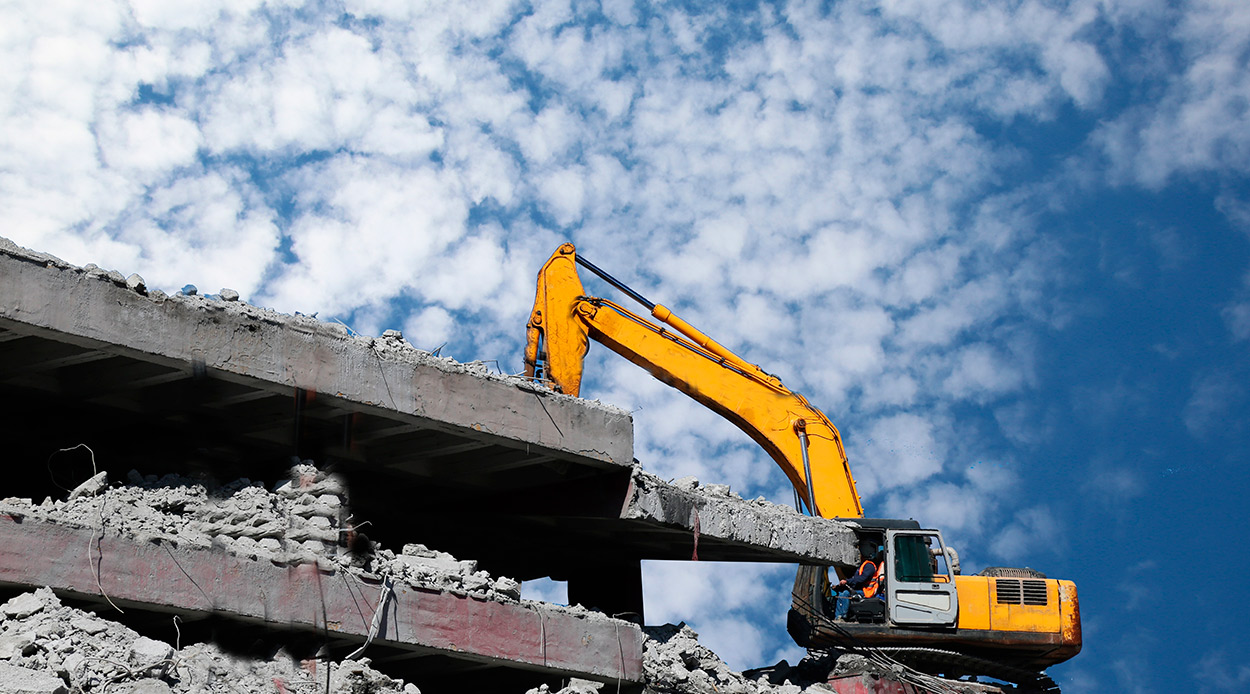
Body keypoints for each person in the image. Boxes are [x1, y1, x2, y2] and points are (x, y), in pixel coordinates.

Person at [833, 538, 882, 620]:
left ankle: (843, 616)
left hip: (867, 591)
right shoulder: (863, 565)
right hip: (862, 589)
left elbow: (861, 578)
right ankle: (837, 616)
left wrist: (847, 581)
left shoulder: (869, 566)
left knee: (845, 594)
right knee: (841, 592)